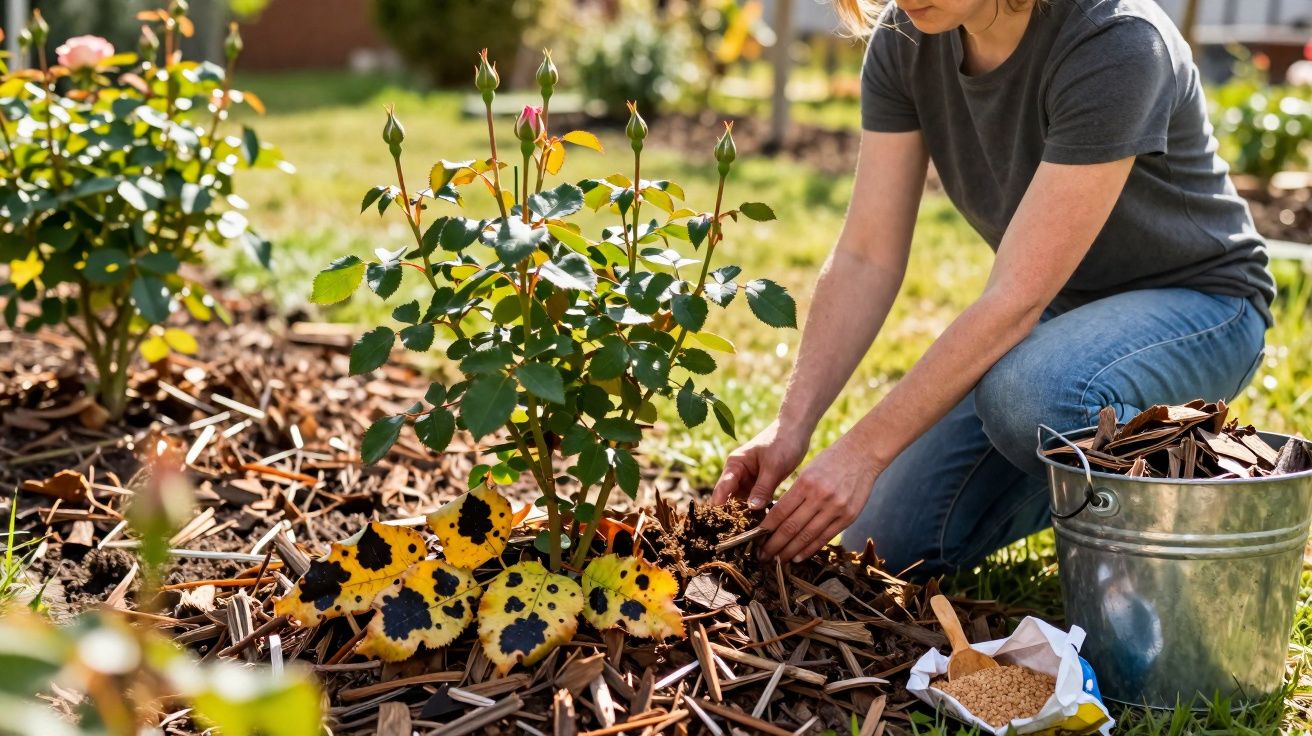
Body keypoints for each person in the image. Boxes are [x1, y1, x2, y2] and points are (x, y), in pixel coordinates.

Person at [710, 0, 1273, 574]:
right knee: (881, 541)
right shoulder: (904, 39)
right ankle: (1083, 485)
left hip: (1204, 307)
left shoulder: (1115, 40)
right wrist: (791, 426)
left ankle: (1210, 521)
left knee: (1029, 393)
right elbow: (865, 256)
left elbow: (1014, 300)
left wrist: (862, 451)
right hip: (1062, 321)